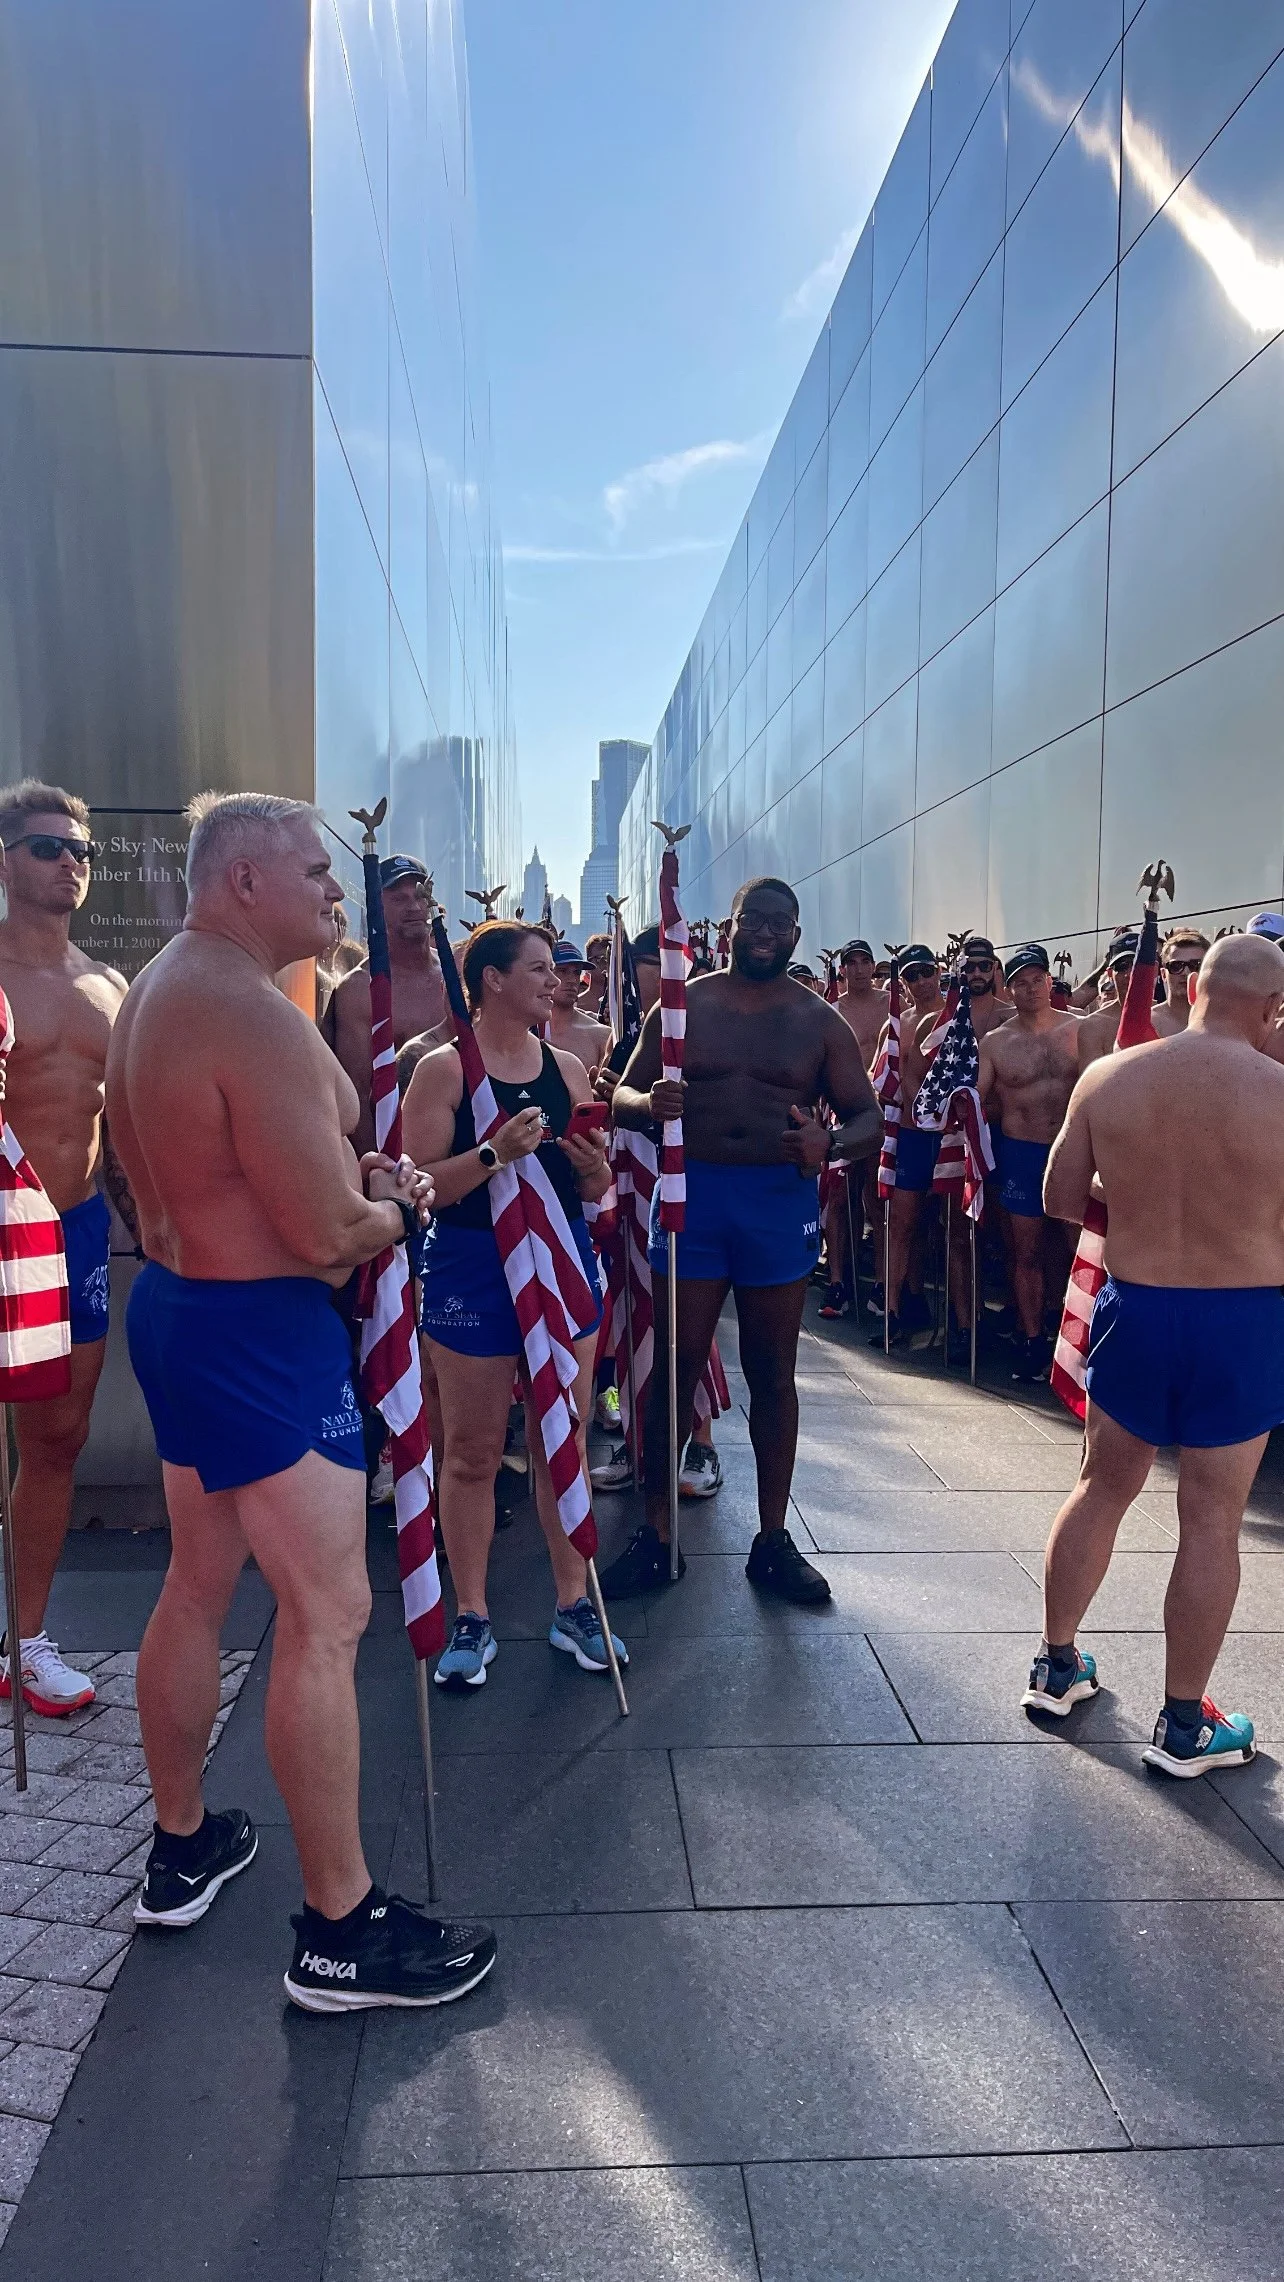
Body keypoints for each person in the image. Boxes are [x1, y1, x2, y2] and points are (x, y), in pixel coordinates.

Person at [108, 791, 495, 2011]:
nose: (340, 895)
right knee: (328, 1614)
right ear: (240, 882)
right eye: (318, 874)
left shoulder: (161, 992)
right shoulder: (247, 1016)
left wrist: (359, 1174)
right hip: (259, 1332)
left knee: (196, 1578)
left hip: (181, 1309)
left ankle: (182, 1844)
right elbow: (331, 1236)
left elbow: (212, 1172)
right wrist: (409, 1202)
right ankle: (340, 1930)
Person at [1022, 931, 1284, 1776]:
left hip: (1135, 1307)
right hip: (1240, 1318)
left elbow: (1062, 1198)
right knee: (1211, 1519)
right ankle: (1181, 1727)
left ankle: (1057, 1668)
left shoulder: (1110, 1076)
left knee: (1101, 1487)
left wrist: (1138, 1187)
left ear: (1196, 987)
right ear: (1272, 1007)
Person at [601, 876, 880, 1603]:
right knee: (676, 1366)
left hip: (774, 1202)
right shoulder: (683, 1003)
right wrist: (646, 1102)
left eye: (777, 923)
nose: (763, 932)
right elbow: (620, 1097)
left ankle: (772, 1538)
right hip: (694, 1196)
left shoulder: (819, 1022)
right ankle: (658, 1532)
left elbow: (868, 1120)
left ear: (794, 934)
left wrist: (831, 1142)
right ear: (727, 929)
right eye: (751, 919)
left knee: (771, 1370)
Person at [401, 921, 628, 1688]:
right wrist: (497, 1152)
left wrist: (594, 1171)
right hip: (472, 1268)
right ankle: (471, 1613)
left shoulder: (566, 1068)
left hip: (560, 1263)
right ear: (492, 980)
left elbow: (595, 1188)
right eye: (536, 969)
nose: (553, 982)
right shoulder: (441, 1071)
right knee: (469, 1451)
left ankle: (573, 1606)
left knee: (560, 1432)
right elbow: (419, 1189)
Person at [0, 781, 129, 1718]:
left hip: (73, 1229)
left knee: (58, 1436)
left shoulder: (106, 985)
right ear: (7, 861)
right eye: (49, 848)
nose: (71, 863)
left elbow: (119, 1125)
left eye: (81, 850)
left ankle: (26, 1637)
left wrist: (151, 1222)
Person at [978, 945, 1080, 1381]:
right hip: (1021, 1154)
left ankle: (1078, 1338)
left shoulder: (1081, 1031)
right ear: (1009, 986)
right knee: (1027, 1250)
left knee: (1078, 1250)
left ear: (1050, 982)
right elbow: (976, 1098)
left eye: (1037, 979)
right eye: (1020, 981)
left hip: (1072, 1151)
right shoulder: (997, 1042)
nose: (1031, 988)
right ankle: (1032, 1337)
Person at [328, 854, 448, 1150]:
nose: (414, 906)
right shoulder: (359, 990)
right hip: (401, 1156)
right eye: (399, 898)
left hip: (471, 1151)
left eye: (421, 895)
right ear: (377, 907)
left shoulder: (457, 975)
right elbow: (355, 1092)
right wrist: (380, 1173)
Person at [878, 944, 947, 1347]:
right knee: (901, 1225)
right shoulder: (898, 1023)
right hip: (909, 1138)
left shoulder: (957, 1018)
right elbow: (880, 1075)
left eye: (925, 972)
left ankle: (961, 1320)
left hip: (949, 1140)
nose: (920, 981)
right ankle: (891, 1309)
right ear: (901, 981)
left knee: (952, 1232)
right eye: (910, 975)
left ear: (937, 972)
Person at [819, 939, 888, 1319]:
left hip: (883, 1115)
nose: (859, 969)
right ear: (842, 969)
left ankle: (881, 1282)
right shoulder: (833, 1011)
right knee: (840, 1200)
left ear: (873, 966)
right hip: (843, 1114)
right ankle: (837, 1281)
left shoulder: (890, 1006)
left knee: (877, 1200)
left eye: (865, 962)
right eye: (852, 963)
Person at [1076, 929, 1142, 1069]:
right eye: (1122, 967)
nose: (1129, 974)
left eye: (1137, 965)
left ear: (1153, 969)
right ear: (1111, 974)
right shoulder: (1094, 1026)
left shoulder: (1167, 1018)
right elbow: (1092, 1087)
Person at [548, 940, 610, 1070]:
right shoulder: (524, 1029)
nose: (572, 980)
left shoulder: (600, 1035)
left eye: (576, 972)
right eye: (562, 971)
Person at [1153, 927, 1209, 1035]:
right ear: (1164, 974)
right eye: (1176, 966)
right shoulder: (1151, 1023)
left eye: (1196, 965)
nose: (1186, 972)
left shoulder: (1224, 1021)